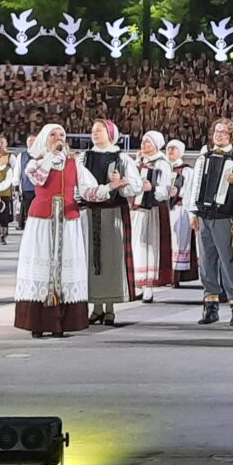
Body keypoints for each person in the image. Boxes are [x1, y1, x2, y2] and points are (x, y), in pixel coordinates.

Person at [13, 123, 114, 338]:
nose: (58, 138)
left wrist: (110, 187)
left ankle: (61, 323)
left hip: (68, 222)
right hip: (42, 222)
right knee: (43, 267)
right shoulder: (35, 163)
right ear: (44, 139)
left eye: (61, 135)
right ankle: (38, 322)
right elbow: (38, 178)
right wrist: (52, 155)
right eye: (53, 135)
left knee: (64, 270)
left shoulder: (74, 164)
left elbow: (89, 190)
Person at [186, 119, 233, 325]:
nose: (218, 135)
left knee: (230, 261)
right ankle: (210, 305)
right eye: (216, 131)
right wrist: (193, 213)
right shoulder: (204, 157)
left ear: (232, 136)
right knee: (207, 261)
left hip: (227, 216)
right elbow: (195, 186)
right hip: (204, 214)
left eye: (223, 132)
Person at [82, 119, 141, 326]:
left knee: (111, 259)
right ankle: (96, 306)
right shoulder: (85, 157)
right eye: (92, 130)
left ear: (109, 133)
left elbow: (136, 185)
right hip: (90, 213)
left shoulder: (121, 157)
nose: (94, 133)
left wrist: (121, 182)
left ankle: (110, 308)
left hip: (113, 212)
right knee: (92, 259)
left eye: (99, 130)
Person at [130, 130, 173, 302]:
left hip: (152, 209)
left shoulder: (161, 163)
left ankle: (148, 285)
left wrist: (153, 189)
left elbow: (165, 189)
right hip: (136, 210)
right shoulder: (138, 161)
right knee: (136, 245)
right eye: (143, 141)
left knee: (149, 245)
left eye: (148, 142)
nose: (144, 144)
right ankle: (137, 284)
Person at [166, 139, 197, 285]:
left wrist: (178, 192)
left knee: (179, 242)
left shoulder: (187, 171)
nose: (170, 151)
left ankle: (176, 276)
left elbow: (190, 191)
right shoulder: (163, 167)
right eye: (169, 148)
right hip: (165, 208)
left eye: (174, 148)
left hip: (180, 209)